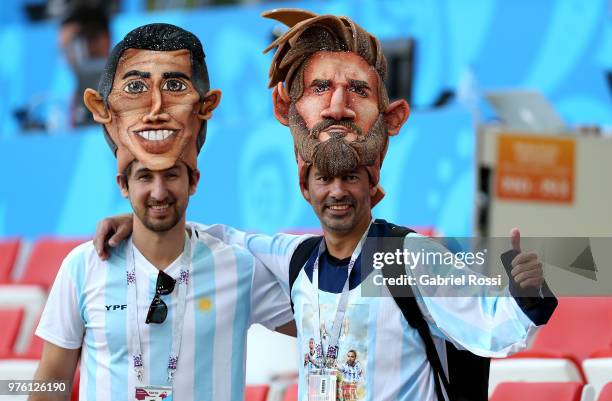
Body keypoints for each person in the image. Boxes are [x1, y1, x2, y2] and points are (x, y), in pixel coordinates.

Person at [94, 9, 557, 401]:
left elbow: (496, 331)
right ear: (305, 186)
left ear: (372, 180)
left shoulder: (410, 258)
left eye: (350, 177)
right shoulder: (292, 262)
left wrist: (526, 293)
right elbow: (214, 240)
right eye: (325, 179)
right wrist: (142, 222)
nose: (337, 191)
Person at [31, 23, 294, 401]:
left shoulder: (238, 266)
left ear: (194, 181)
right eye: (144, 177)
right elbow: (49, 382)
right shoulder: (83, 266)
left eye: (171, 175)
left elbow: (323, 319)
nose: (158, 191)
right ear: (123, 185)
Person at [59, 4, 111, 127]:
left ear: (102, 40)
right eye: (62, 50)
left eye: (69, 48)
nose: (66, 59)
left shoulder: (125, 86)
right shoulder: (76, 95)